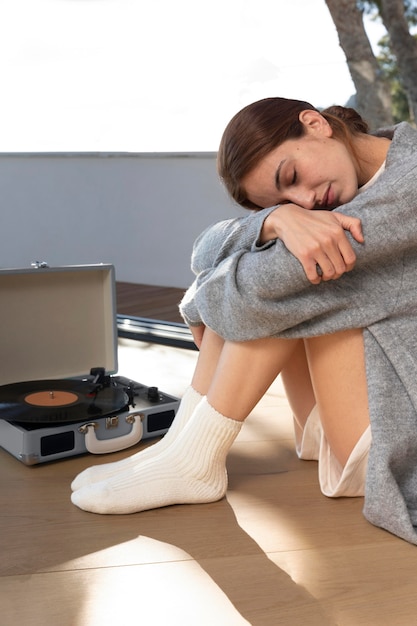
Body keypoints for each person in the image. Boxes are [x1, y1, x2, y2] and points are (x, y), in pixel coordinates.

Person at [71, 98, 417, 545]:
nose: (307, 201)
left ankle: (192, 459)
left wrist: (198, 297)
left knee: (290, 281)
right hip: (350, 413)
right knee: (270, 267)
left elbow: (254, 290)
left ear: (314, 124)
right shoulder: (361, 167)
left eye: (291, 179)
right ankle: (183, 448)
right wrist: (275, 221)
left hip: (400, 436)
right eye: (284, 200)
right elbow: (205, 248)